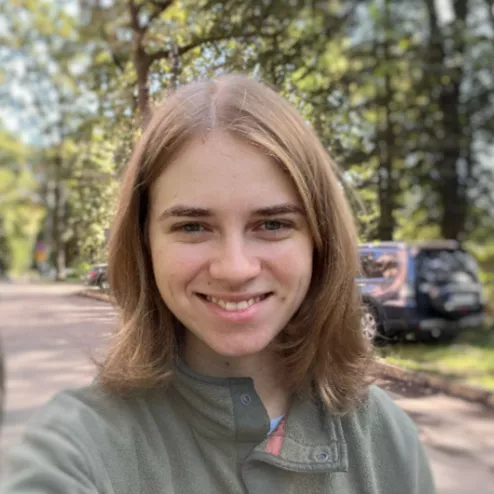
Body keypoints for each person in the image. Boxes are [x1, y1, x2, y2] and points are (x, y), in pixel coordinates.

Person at [1, 75, 435, 493]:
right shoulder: (77, 448)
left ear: (319, 241)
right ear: (144, 243)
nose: (235, 268)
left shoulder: (387, 442)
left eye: (272, 224)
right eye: (192, 227)